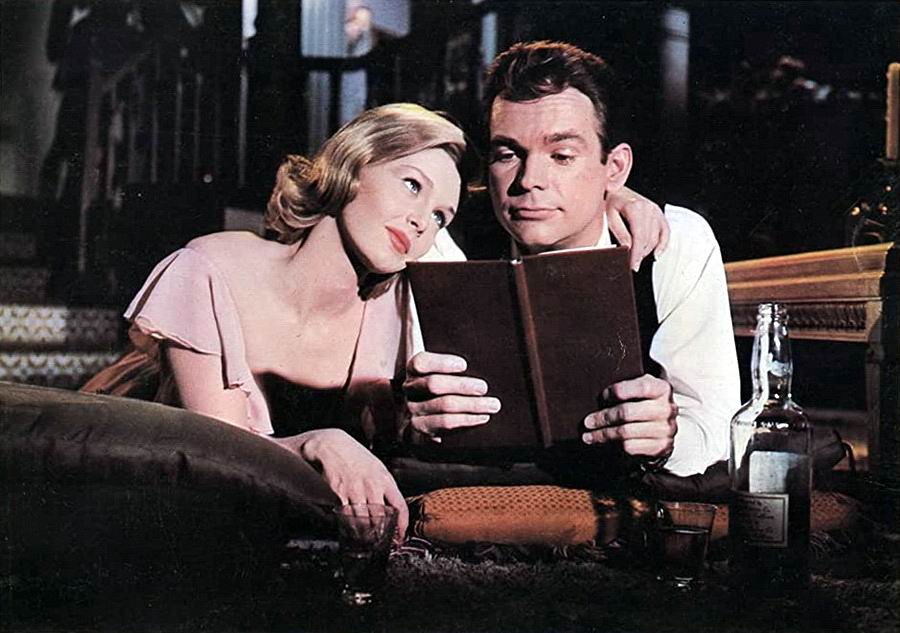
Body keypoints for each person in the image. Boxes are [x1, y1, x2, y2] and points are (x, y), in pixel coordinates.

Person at [82, 101, 667, 536]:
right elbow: (220, 454)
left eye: (440, 216)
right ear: (354, 166)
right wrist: (323, 442)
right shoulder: (210, 269)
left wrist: (615, 196)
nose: (421, 222)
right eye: (410, 186)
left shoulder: (408, 298)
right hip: (160, 497)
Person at [402, 41, 740, 480]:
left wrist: (669, 439)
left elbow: (716, 426)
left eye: (561, 156)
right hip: (479, 492)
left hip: (622, 498)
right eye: (508, 154)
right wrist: (413, 419)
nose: (530, 180)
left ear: (614, 169)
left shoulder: (673, 241)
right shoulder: (443, 236)